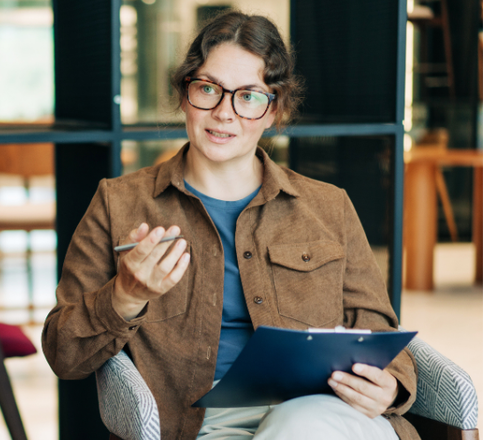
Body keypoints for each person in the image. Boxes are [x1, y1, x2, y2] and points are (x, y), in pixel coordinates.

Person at [42, 11, 418, 440]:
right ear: (184, 96)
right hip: (202, 423)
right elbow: (63, 354)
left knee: (302, 424)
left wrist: (389, 387)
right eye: (208, 89)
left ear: (275, 110)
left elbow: (380, 332)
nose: (224, 112)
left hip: (329, 412)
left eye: (249, 96)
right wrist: (125, 297)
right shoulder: (119, 203)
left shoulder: (329, 206)